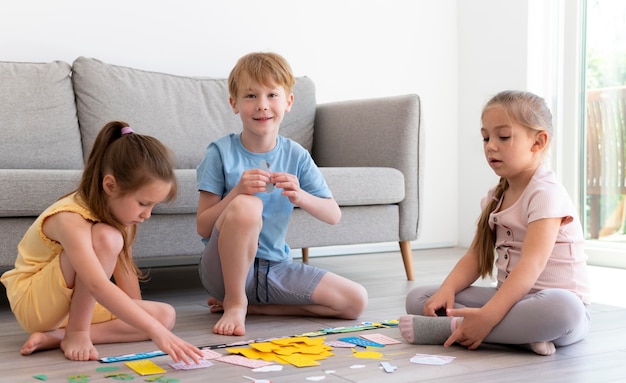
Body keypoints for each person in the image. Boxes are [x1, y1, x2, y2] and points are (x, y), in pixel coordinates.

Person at [400, 90, 591, 356]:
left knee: (563, 309)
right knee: (419, 298)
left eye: (503, 137)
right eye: (485, 137)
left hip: (555, 307)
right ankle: (519, 335)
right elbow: (476, 257)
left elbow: (531, 264)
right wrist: (447, 290)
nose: (490, 145)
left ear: (538, 142)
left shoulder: (546, 193)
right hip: (512, 303)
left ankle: (457, 328)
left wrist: (489, 314)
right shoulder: (495, 197)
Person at [196, 52, 368, 336]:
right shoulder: (220, 153)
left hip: (276, 267)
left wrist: (300, 196)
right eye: (250, 96)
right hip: (223, 274)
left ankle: (255, 307)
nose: (262, 105)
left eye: (272, 95)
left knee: (355, 301)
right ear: (234, 104)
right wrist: (237, 193)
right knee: (247, 206)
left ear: (288, 102)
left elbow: (333, 214)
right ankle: (236, 302)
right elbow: (203, 226)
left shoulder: (296, 156)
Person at [1, 121, 202, 363]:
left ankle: (59, 335)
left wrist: (149, 322)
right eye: (143, 203)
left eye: (153, 206)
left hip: (70, 306)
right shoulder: (69, 219)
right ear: (110, 185)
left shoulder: (115, 216)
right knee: (107, 239)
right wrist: (155, 332)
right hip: (35, 302)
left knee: (165, 316)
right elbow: (96, 285)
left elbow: (127, 281)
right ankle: (77, 332)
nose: (147, 215)